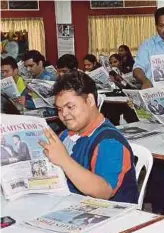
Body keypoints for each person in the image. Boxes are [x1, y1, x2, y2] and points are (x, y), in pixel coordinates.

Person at [40, 71, 138, 203]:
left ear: (90, 100)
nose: (64, 114)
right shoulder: (65, 135)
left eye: (70, 106)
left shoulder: (109, 142)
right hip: (69, 204)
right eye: (59, 109)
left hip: (110, 215)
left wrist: (64, 160)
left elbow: (104, 191)